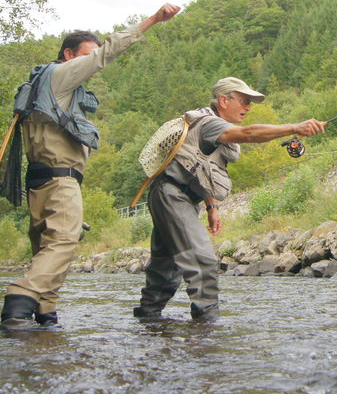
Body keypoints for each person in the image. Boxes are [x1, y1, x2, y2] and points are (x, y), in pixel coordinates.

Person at [0, 3, 182, 331]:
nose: (92, 64)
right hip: (60, 178)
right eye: (87, 56)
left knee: (47, 247)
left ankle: (45, 313)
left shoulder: (43, 85)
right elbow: (109, 52)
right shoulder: (61, 75)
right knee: (64, 240)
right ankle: (20, 300)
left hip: (38, 179)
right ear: (69, 55)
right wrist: (154, 19)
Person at [133, 77, 325, 322]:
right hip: (172, 196)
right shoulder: (211, 124)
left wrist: (211, 207)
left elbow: (201, 169)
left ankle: (148, 323)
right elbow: (249, 134)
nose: (248, 108)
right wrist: (295, 128)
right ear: (224, 100)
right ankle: (207, 327)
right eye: (244, 101)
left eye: (250, 103)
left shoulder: (208, 124)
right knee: (202, 261)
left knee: (165, 268)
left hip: (171, 196)